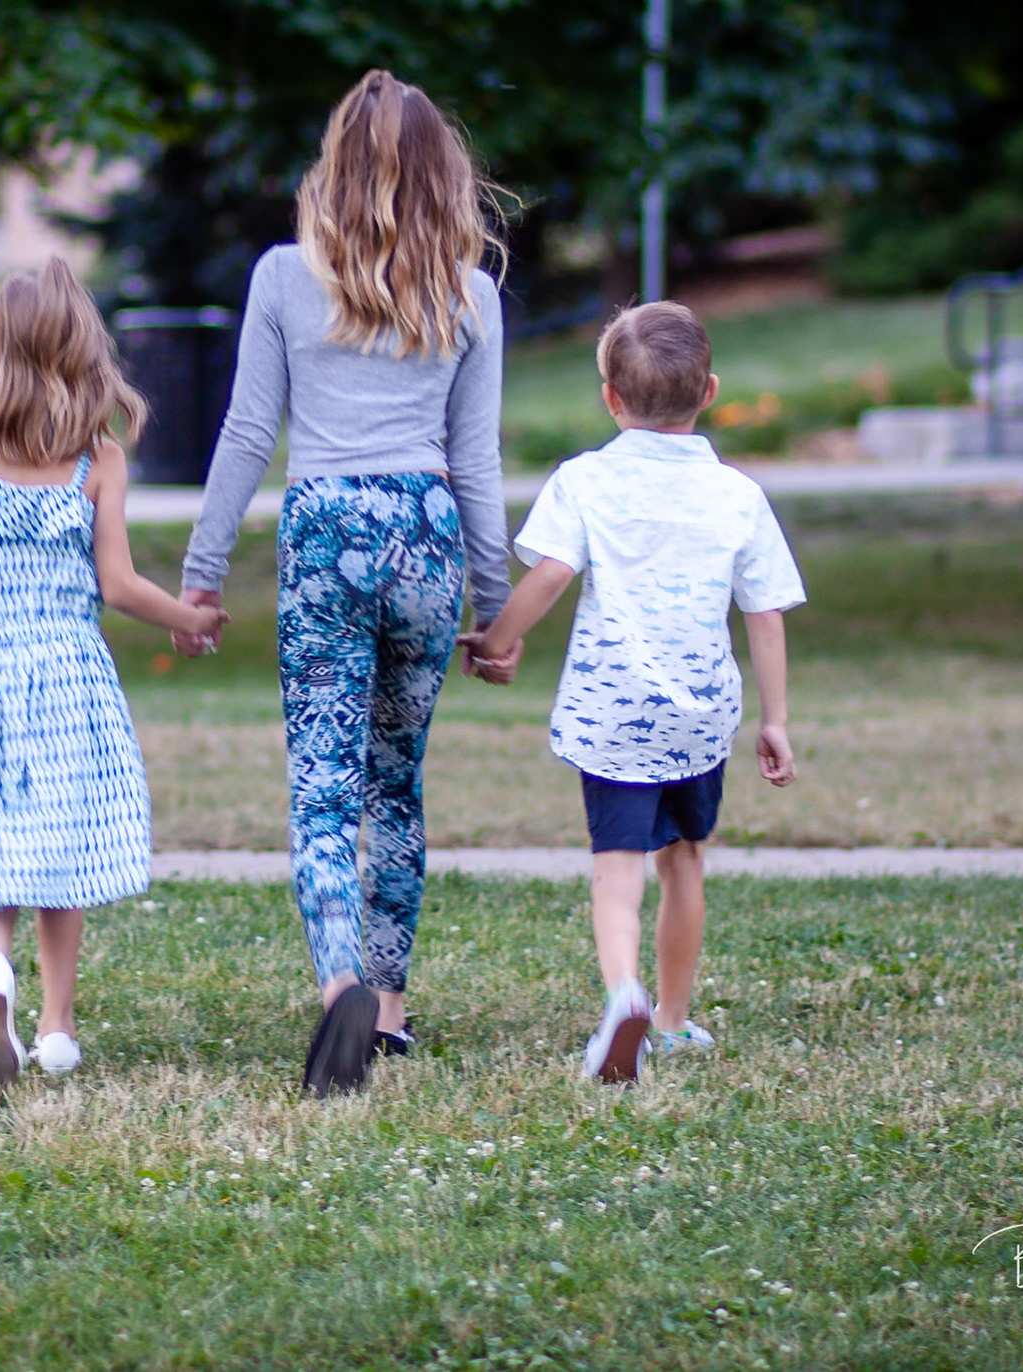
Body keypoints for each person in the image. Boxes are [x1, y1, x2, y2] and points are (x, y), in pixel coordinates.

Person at [171, 70, 517, 1097]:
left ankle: (339, 993)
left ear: (335, 167)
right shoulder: (471, 291)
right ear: (445, 176)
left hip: (325, 529)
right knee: (395, 781)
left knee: (322, 789)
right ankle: (392, 1012)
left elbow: (246, 431)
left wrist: (200, 572)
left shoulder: (284, 275)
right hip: (427, 531)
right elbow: (479, 461)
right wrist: (493, 606)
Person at [0, 258, 229, 1087]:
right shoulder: (95, 458)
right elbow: (120, 586)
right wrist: (191, 619)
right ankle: (58, 1027)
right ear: (82, 353)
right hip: (70, 670)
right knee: (61, 848)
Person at [460, 301, 805, 1084]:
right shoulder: (739, 495)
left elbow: (549, 574)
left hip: (612, 714)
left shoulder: (585, 480)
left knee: (618, 870)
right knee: (683, 861)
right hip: (700, 716)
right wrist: (776, 720)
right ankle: (674, 1024)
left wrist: (497, 640)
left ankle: (625, 999)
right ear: (710, 391)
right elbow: (765, 611)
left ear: (611, 399)